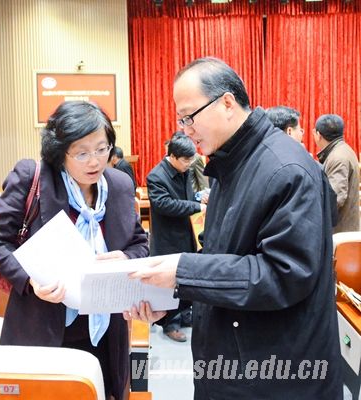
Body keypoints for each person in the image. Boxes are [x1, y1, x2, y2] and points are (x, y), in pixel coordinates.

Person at [125, 57, 341, 398]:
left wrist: (183, 272)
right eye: (181, 119)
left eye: (189, 117)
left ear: (227, 103)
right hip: (234, 366)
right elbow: (224, 257)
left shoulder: (285, 169)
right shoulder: (231, 164)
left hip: (276, 378)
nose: (185, 129)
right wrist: (170, 296)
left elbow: (284, 274)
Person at [0, 101, 148, 400]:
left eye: (102, 149)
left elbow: (139, 242)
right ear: (60, 152)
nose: (94, 161)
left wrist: (125, 257)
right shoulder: (32, 177)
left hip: (104, 329)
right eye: (81, 153)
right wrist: (30, 280)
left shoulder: (120, 185)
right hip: (42, 323)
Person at [146, 132, 204, 342]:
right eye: (186, 160)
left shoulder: (183, 171)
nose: (189, 164)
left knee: (186, 276)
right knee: (169, 283)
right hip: (168, 238)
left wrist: (198, 197)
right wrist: (196, 206)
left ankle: (185, 315)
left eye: (191, 159)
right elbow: (164, 204)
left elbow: (185, 196)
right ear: (172, 156)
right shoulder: (156, 176)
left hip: (185, 232)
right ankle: (170, 324)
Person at [313, 113, 359, 233]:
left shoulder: (338, 157)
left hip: (340, 233)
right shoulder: (342, 150)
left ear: (318, 135)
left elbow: (335, 199)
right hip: (343, 228)